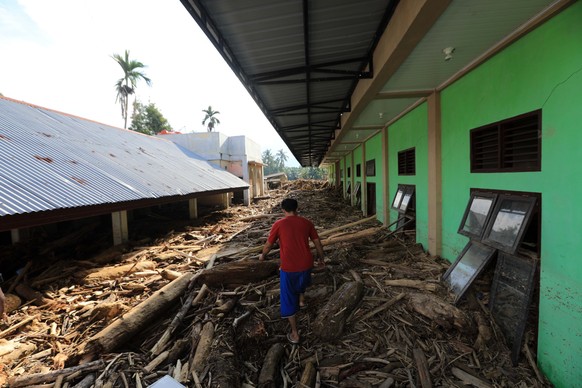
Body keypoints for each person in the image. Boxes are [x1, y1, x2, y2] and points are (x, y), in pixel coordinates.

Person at [259, 198, 324, 344]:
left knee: (288, 299)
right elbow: (317, 242)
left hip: (289, 267)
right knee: (302, 281)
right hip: (307, 263)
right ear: (297, 208)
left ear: (283, 209)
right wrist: (321, 258)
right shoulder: (307, 222)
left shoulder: (279, 224)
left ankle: (295, 333)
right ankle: (301, 300)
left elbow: (269, 245)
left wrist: (263, 255)